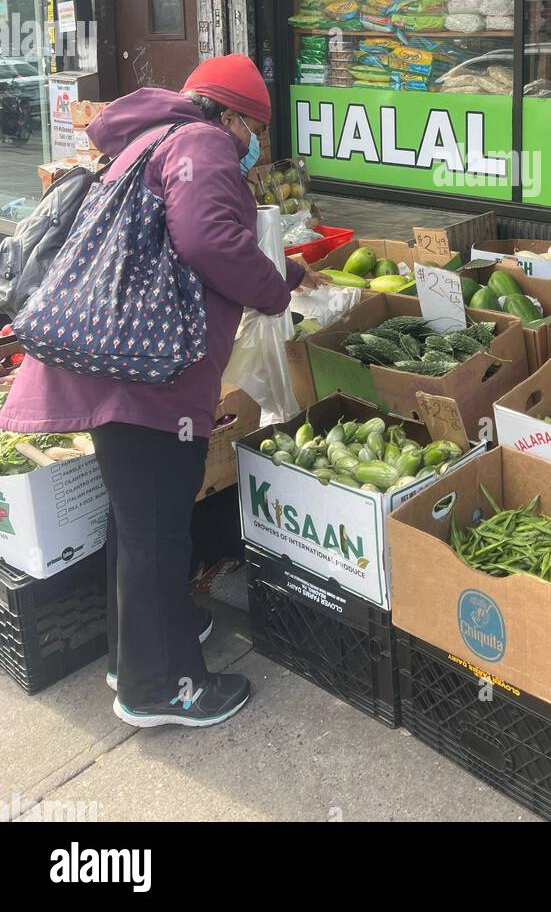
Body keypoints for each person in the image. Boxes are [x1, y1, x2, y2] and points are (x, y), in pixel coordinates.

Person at [0, 55, 319, 729]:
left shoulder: (147, 139)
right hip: (148, 372)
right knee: (158, 531)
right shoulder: (202, 142)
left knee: (136, 519)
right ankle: (159, 686)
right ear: (231, 115)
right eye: (253, 129)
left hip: (115, 358)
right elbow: (208, 239)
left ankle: (139, 649)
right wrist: (275, 283)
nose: (253, 146)